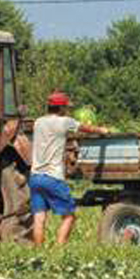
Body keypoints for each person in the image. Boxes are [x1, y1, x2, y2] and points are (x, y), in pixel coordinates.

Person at [30, 90, 109, 246]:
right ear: (61, 108)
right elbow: (87, 128)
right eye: (66, 107)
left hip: (35, 177)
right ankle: (60, 250)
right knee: (69, 216)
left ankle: (38, 251)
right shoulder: (64, 122)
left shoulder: (38, 122)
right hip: (53, 178)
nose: (67, 110)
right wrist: (103, 130)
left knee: (39, 217)